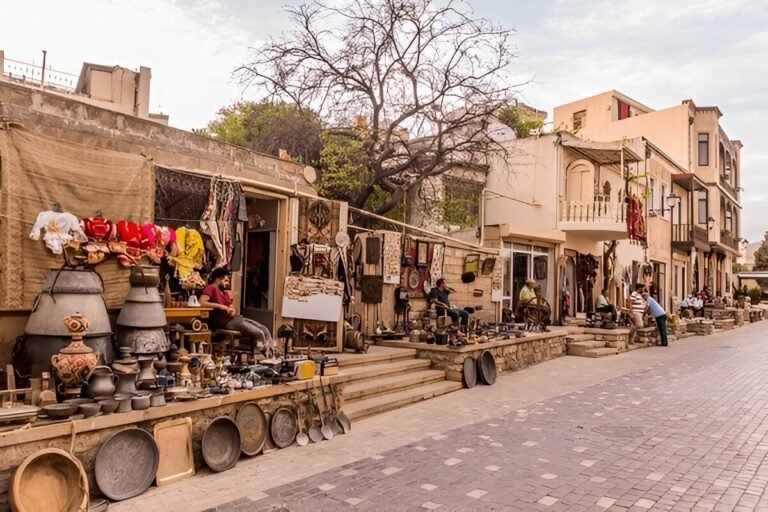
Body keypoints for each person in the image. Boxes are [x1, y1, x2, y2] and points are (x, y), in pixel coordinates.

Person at [200, 268, 272, 346]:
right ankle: (261, 352)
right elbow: (202, 302)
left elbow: (232, 306)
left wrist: (233, 310)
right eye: (225, 280)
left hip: (236, 318)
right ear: (217, 279)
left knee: (265, 330)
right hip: (225, 322)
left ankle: (270, 352)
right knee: (259, 333)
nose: (227, 282)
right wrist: (220, 306)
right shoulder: (211, 288)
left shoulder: (225, 292)